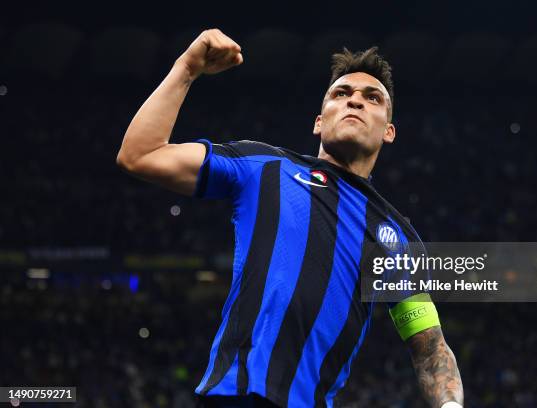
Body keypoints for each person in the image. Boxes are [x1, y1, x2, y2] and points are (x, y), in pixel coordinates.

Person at [117, 28, 463, 408]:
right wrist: (186, 68)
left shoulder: (395, 236)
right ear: (319, 121)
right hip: (231, 399)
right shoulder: (262, 167)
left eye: (372, 98)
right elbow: (140, 154)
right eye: (341, 94)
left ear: (389, 131)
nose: (355, 102)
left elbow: (429, 347)